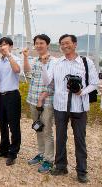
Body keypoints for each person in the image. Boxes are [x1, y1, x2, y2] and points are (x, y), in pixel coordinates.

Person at [41, 34, 98, 183]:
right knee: (60, 137)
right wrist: (43, 65)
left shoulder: (86, 62)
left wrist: (81, 92)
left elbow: (94, 83)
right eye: (62, 44)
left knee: (80, 139)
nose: (64, 46)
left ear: (75, 44)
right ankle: (61, 166)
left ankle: (81, 171)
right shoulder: (57, 63)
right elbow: (48, 82)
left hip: (79, 106)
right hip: (60, 105)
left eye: (67, 43)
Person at [23, 34, 55, 173]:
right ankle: (41, 154)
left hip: (47, 102)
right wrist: (25, 56)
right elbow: (27, 71)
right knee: (38, 128)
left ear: (47, 44)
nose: (39, 45)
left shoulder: (54, 61)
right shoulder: (35, 60)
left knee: (47, 130)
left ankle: (49, 159)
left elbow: (53, 83)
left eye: (41, 43)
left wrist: (43, 97)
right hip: (33, 99)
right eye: (37, 43)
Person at [0, 37, 22, 166]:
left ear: (10, 46)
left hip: (12, 95)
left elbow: (17, 70)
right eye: (0, 45)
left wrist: (9, 55)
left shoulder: (15, 58)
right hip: (1, 96)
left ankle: (13, 152)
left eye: (5, 45)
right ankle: (3, 149)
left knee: (14, 125)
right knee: (2, 123)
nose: (2, 47)